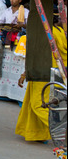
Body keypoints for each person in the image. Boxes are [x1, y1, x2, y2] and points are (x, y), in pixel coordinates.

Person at [15, 13, 67, 142]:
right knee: (32, 102)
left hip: (43, 71)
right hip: (53, 71)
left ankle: (62, 132)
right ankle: (37, 133)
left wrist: (24, 74)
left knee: (38, 104)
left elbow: (36, 55)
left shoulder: (46, 33)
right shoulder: (58, 30)